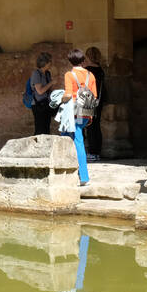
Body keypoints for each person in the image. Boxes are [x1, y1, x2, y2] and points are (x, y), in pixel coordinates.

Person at [57, 48, 98, 188]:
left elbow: (68, 94)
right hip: (86, 112)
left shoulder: (69, 74)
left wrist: (59, 99)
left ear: (70, 61)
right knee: (68, 138)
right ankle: (69, 173)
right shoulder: (91, 75)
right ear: (83, 61)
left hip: (73, 113)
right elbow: (95, 96)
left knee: (76, 141)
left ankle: (84, 176)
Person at [83, 47, 106, 162]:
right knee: (96, 125)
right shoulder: (101, 70)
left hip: (89, 100)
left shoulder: (87, 70)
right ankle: (97, 152)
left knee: (90, 126)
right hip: (99, 100)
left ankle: (92, 152)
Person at [28, 52, 55, 136]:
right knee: (40, 129)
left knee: (46, 128)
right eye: (50, 62)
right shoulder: (36, 74)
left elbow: (48, 89)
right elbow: (40, 91)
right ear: (45, 63)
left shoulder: (47, 73)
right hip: (38, 105)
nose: (51, 63)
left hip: (46, 103)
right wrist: (52, 83)